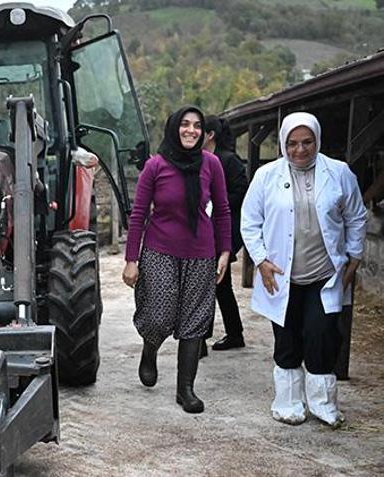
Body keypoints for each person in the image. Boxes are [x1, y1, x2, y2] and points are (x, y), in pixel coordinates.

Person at [241, 112, 367, 428]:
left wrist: (354, 255)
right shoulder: (266, 175)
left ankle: (323, 405)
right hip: (281, 276)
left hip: (324, 275)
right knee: (287, 340)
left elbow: (356, 216)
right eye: (292, 143)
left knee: (321, 336)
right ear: (284, 143)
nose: (300, 150)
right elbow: (250, 221)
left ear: (317, 140)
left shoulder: (338, 173)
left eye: (307, 142)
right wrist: (261, 259)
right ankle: (287, 403)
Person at [122, 106, 232, 414]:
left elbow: (223, 211)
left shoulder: (212, 164)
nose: (191, 130)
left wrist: (225, 251)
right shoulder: (155, 166)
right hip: (159, 252)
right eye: (185, 124)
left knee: (194, 321)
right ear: (174, 128)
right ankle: (150, 347)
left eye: (197, 126)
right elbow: (139, 215)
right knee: (158, 315)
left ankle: (185, 390)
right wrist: (132, 259)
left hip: (201, 254)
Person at [203, 116, 248, 353]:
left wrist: (212, 201)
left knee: (211, 282)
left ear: (210, 134)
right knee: (220, 284)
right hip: (205, 230)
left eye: (199, 128)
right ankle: (233, 333)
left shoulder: (229, 161)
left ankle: (200, 336)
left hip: (223, 230)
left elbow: (241, 193)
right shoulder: (201, 159)